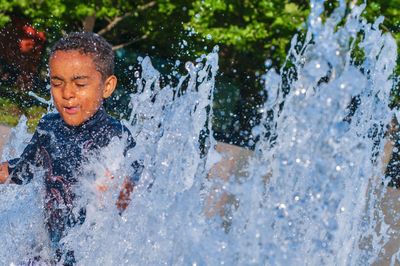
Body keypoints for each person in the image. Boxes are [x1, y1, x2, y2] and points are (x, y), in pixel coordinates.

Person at [0, 32, 140, 265]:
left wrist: (116, 195)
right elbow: (22, 170)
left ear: (107, 87)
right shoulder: (49, 128)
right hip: (46, 252)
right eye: (57, 83)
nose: (67, 94)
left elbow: (133, 196)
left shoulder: (117, 138)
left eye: (80, 84)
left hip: (88, 255)